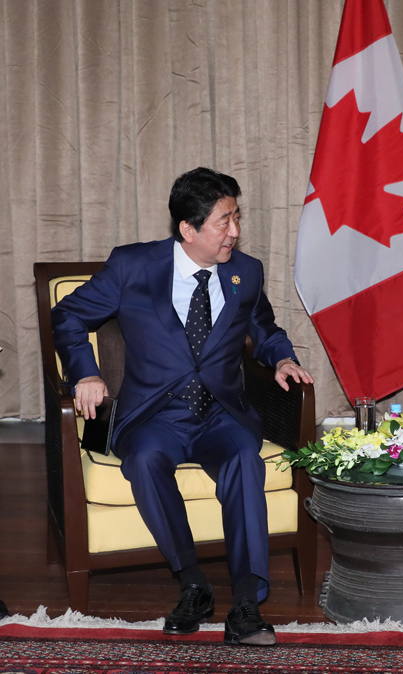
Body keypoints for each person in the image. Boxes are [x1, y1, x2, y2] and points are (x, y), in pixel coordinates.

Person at [52, 167, 314, 647]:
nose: (234, 232)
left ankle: (247, 604)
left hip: (221, 413)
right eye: (223, 222)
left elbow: (265, 326)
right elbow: (68, 314)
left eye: (237, 217)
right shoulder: (133, 266)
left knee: (243, 461)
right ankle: (193, 583)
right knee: (146, 460)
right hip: (154, 413)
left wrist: (282, 358)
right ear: (188, 230)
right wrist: (85, 372)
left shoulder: (245, 271)